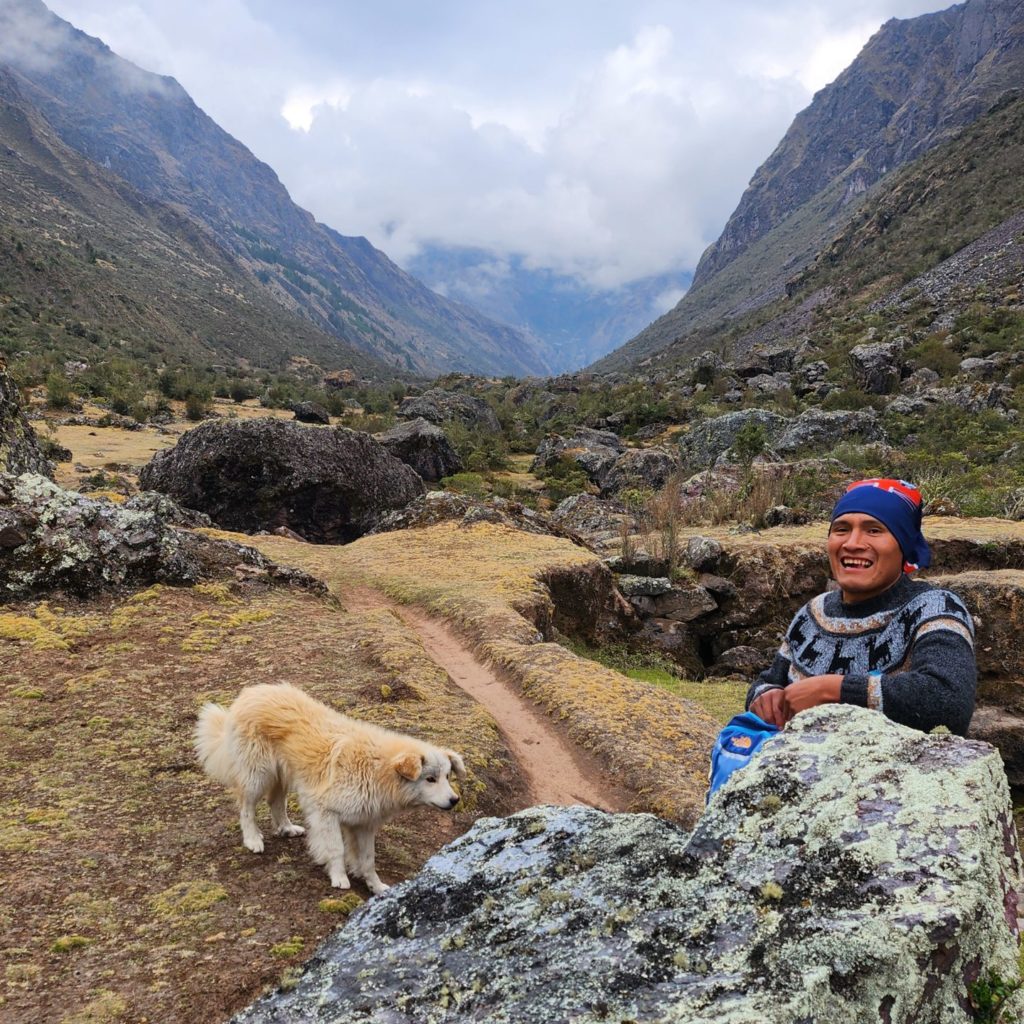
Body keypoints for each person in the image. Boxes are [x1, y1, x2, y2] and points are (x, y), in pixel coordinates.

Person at [746, 478, 976, 736]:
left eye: (874, 530)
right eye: (841, 529)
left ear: (903, 544)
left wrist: (832, 690)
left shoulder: (934, 608)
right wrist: (765, 696)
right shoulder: (813, 614)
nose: (853, 543)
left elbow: (949, 700)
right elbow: (769, 680)